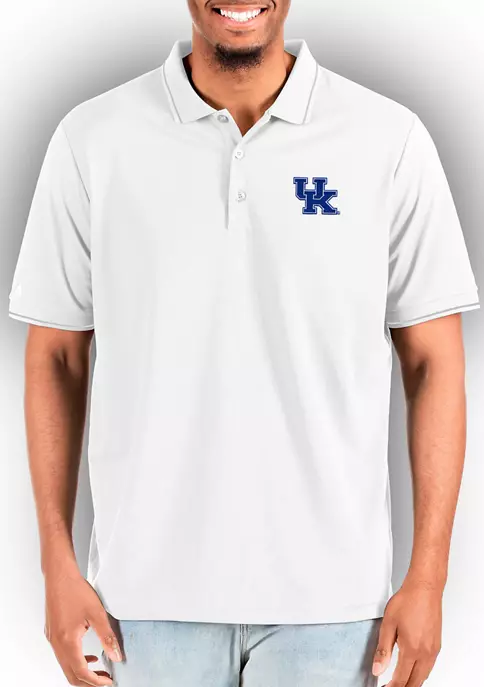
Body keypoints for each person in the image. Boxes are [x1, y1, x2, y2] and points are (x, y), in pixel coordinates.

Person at [8, 1, 480, 685]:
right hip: (141, 604)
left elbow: (434, 360)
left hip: (335, 607)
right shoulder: (92, 140)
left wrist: (430, 575)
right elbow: (55, 354)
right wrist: (55, 560)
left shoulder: (388, 140)